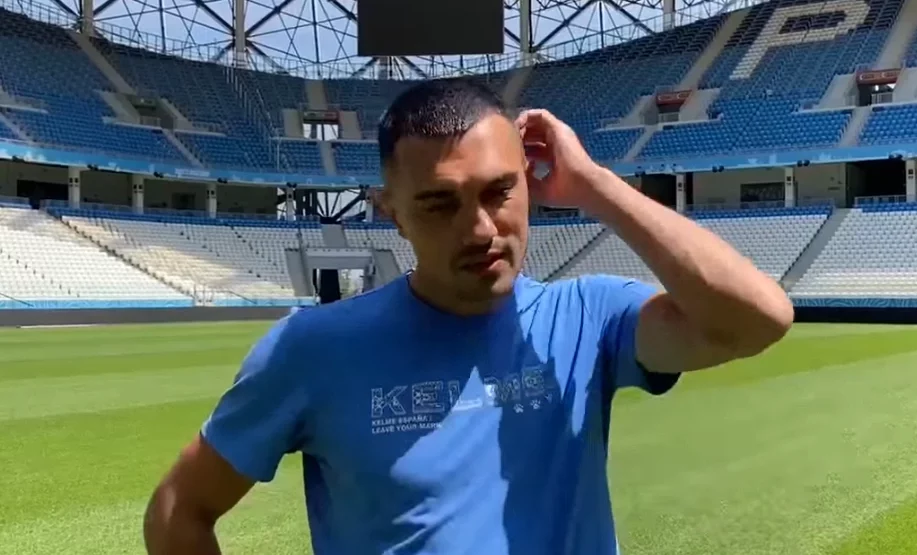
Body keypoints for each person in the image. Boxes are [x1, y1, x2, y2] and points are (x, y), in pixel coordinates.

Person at [143, 78, 794, 555]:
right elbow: (179, 509)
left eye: (498, 191)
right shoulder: (311, 350)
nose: (480, 229)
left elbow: (759, 318)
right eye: (439, 204)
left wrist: (594, 184)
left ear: (528, 182)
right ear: (391, 212)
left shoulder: (587, 319)